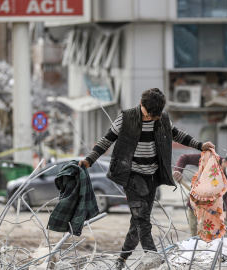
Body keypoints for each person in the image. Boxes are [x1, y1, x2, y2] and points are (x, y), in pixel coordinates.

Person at [78, 88, 214, 270]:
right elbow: (106, 140)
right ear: (142, 105)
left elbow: (178, 134)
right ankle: (152, 253)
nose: (152, 118)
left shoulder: (162, 119)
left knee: (137, 223)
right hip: (131, 175)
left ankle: (121, 259)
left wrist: (200, 145)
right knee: (142, 217)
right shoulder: (126, 118)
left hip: (152, 176)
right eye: (149, 115)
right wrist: (89, 160)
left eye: (155, 116)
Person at [173, 142, 227, 237]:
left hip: (220, 211)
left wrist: (225, 214)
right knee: (198, 241)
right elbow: (185, 158)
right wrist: (178, 171)